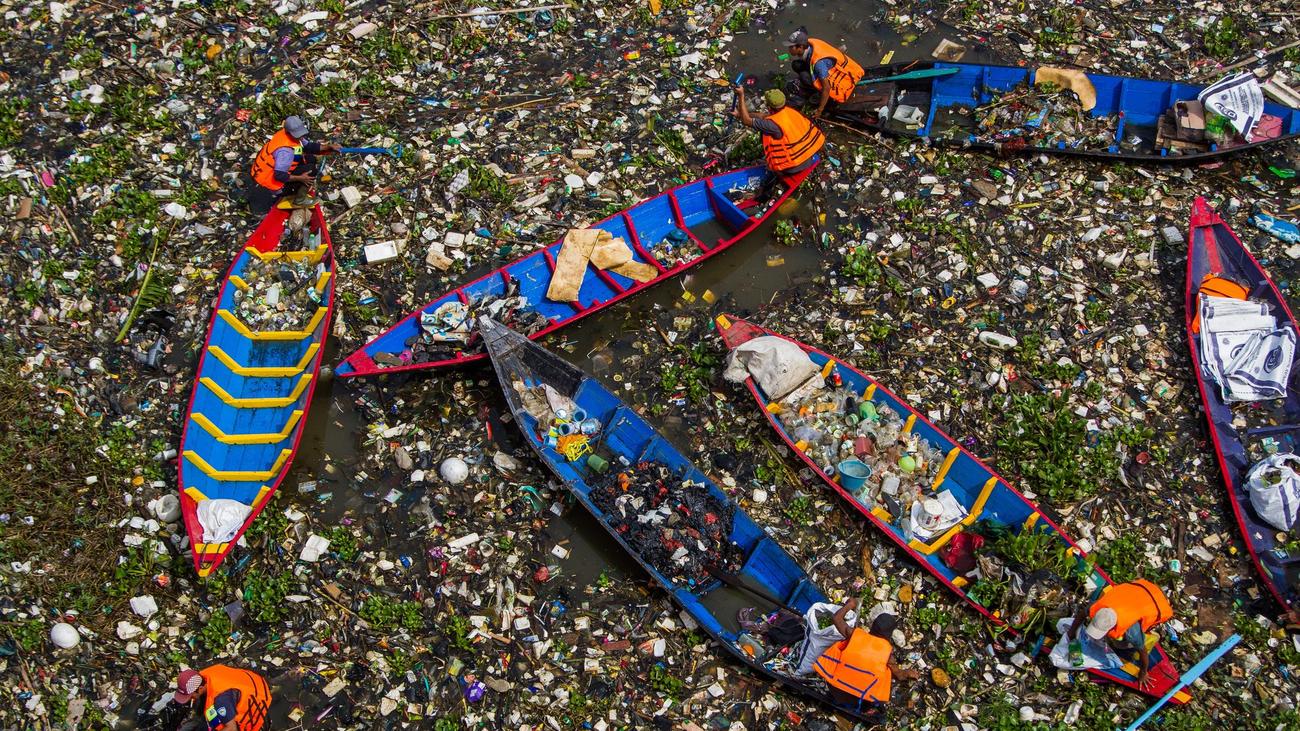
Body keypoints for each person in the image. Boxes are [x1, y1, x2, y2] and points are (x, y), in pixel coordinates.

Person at [813, 599, 920, 713]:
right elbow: (900, 675)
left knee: (844, 649)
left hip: (834, 686)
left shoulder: (855, 634)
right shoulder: (887, 653)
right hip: (855, 699)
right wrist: (908, 673)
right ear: (889, 634)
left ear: (872, 627)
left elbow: (836, 618)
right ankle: (862, 709)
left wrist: (850, 605)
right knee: (887, 671)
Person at [1067, 578, 1174, 685]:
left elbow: (1143, 652)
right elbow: (1082, 614)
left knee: (1119, 644)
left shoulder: (1132, 631)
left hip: (1158, 600)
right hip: (1144, 589)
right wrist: (1071, 632)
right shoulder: (1101, 606)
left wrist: (1143, 672)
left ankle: (1147, 638)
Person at [732, 87, 824, 192]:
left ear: (769, 107)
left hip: (793, 167)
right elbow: (762, 116)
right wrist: (739, 114)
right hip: (808, 157)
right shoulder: (790, 112)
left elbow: (746, 121)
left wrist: (741, 95)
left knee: (771, 171)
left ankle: (778, 178)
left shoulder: (772, 125)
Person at [247, 115, 340, 215]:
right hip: (271, 185)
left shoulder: (285, 135)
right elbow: (279, 175)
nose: (301, 136)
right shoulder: (286, 151)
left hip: (263, 173)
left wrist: (328, 147)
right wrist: (301, 178)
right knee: (310, 170)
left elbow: (308, 146)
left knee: (310, 159)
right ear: (290, 132)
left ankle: (299, 187)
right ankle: (300, 200)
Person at [785, 29, 865, 118]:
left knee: (804, 77)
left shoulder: (819, 64)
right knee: (796, 65)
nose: (789, 49)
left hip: (844, 81)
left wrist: (820, 110)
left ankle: (820, 95)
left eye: (791, 47)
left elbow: (826, 88)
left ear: (800, 47)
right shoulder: (810, 44)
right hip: (833, 67)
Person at [172, 664, 272, 731]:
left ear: (201, 688)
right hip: (251, 681)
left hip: (257, 696)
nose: (189, 698)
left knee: (214, 723)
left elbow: (232, 728)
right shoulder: (204, 675)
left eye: (190, 695)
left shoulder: (221, 700)